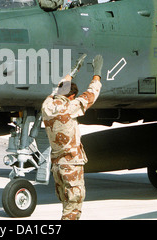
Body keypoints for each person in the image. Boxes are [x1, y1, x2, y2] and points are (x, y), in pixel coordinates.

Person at [41, 55, 103, 220]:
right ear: (71, 97)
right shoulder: (70, 107)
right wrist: (97, 73)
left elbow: (56, 90)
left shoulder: (46, 106)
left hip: (57, 166)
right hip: (71, 165)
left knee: (66, 205)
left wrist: (71, 73)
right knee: (73, 208)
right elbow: (91, 94)